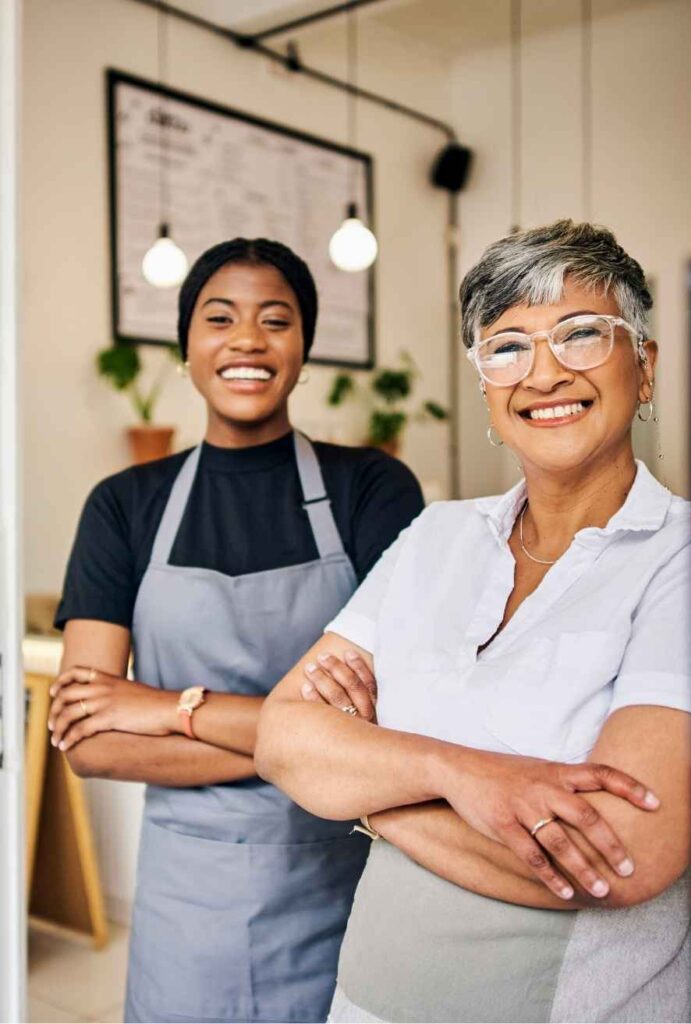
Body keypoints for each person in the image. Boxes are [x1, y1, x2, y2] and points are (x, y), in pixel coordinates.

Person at [254, 220, 691, 1023]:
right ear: (486, 386)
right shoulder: (436, 537)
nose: (544, 373)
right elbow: (282, 738)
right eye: (507, 346)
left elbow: (620, 856)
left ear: (645, 367)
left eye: (582, 335)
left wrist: (369, 791)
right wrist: (466, 775)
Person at [48, 238, 424, 1024]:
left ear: (304, 349)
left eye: (275, 320)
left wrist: (163, 708)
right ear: (186, 346)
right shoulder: (124, 505)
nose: (247, 339)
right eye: (219, 318)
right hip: (189, 908)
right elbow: (89, 740)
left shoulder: (372, 489)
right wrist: (313, 745)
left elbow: (393, 719)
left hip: (344, 883)